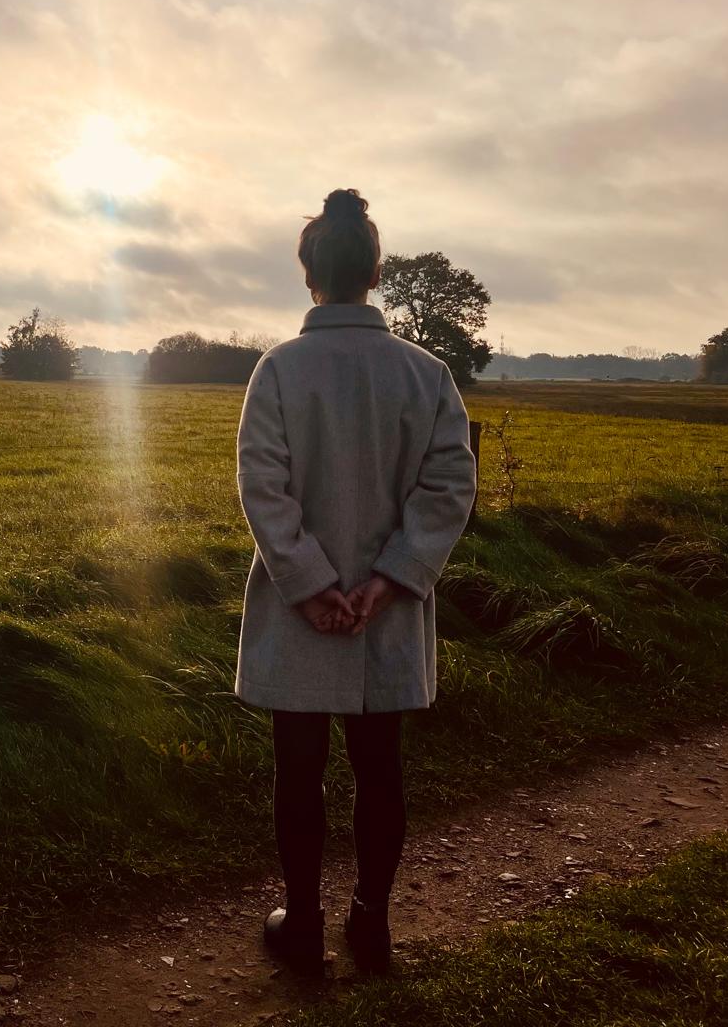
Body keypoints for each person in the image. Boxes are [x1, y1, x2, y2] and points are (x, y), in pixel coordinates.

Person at [233, 188, 477, 980]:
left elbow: (263, 487)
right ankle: (371, 925)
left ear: (309, 273)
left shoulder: (279, 368)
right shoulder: (426, 373)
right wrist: (393, 579)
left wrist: (308, 585)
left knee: (298, 772)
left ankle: (302, 925)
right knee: (381, 770)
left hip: (298, 611)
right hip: (386, 611)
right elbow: (449, 486)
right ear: (375, 273)